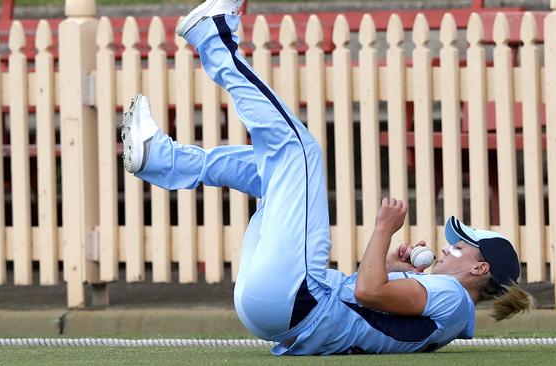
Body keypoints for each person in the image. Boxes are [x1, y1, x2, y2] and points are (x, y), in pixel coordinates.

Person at [121, 0, 533, 355]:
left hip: (295, 301)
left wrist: (383, 231)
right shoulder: (446, 303)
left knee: (299, 149)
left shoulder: (452, 297)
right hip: (275, 311)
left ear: (480, 270)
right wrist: (388, 265)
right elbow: (366, 297)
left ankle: (213, 37)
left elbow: (367, 293)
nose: (446, 248)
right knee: (269, 171)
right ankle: (160, 158)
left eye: (460, 247)